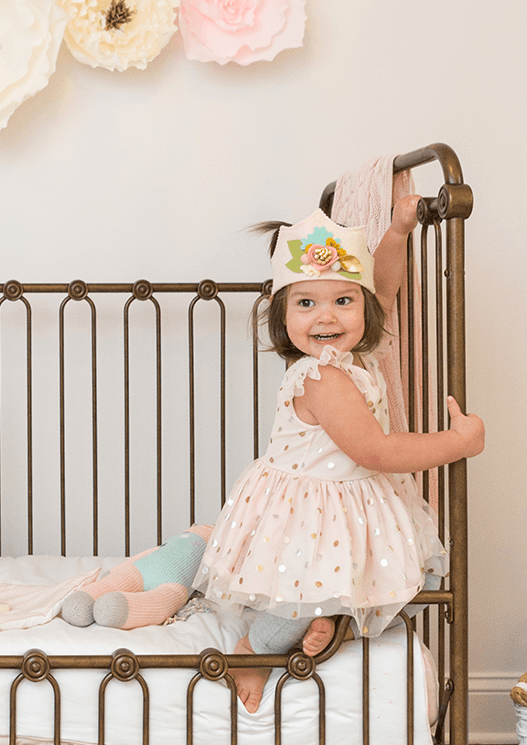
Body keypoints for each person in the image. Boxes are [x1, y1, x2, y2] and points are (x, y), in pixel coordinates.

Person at [195, 198, 485, 713]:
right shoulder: (323, 377)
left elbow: (386, 288)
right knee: (294, 592)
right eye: (305, 303)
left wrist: (397, 231)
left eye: (343, 302)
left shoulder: (352, 359)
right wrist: (459, 443)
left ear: (363, 307)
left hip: (348, 505)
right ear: (283, 316)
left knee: (421, 578)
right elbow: (375, 450)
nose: (325, 316)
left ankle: (336, 623)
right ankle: (253, 649)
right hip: (308, 513)